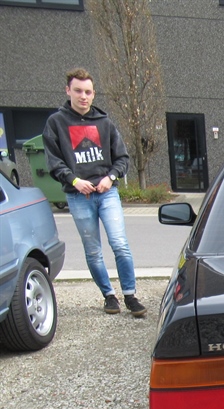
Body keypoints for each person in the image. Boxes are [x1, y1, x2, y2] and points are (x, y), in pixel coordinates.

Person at [43, 68, 146, 317]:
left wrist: (111, 178)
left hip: (107, 193)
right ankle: (109, 296)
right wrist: (74, 180)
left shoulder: (104, 123)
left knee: (120, 244)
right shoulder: (56, 123)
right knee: (93, 250)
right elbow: (54, 162)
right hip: (78, 196)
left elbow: (122, 158)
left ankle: (130, 295)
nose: (83, 96)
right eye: (78, 91)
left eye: (88, 92)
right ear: (68, 91)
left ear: (93, 94)